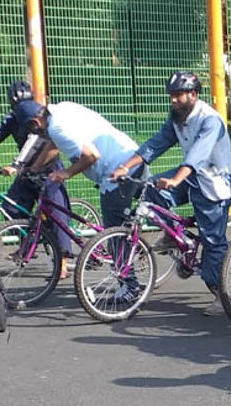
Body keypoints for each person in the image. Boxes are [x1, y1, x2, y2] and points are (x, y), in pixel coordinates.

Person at [110, 71, 231, 315]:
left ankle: (222, 295)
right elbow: (156, 144)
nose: (173, 100)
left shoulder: (210, 120)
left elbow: (198, 154)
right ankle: (176, 238)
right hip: (190, 176)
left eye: (178, 95)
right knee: (150, 191)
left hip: (213, 181)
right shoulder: (177, 118)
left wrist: (176, 179)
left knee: (212, 241)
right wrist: (125, 167)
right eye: (171, 96)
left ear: (193, 94)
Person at [26, 98, 144, 297]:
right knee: (148, 207)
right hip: (132, 157)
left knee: (113, 229)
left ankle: (130, 286)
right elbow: (55, 143)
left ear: (37, 123)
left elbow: (91, 156)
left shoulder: (56, 128)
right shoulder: (61, 109)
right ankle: (157, 241)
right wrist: (34, 168)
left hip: (115, 172)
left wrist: (67, 173)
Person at [0, 80, 73, 278]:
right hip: (27, 171)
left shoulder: (32, 113)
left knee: (57, 216)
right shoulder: (13, 118)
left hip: (49, 170)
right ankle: (30, 240)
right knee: (11, 207)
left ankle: (62, 261)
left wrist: (16, 165)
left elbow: (36, 139)